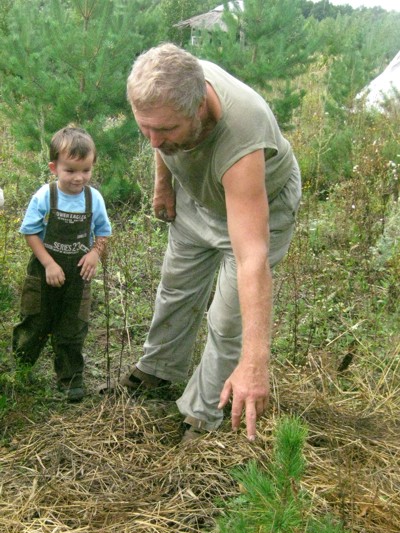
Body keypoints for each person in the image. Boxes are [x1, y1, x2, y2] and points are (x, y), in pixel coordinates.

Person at [122, 43, 301, 442]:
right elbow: (160, 135)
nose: (153, 141)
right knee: (176, 288)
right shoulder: (172, 85)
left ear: (200, 108)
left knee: (228, 318)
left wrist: (257, 363)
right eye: (144, 128)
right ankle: (158, 369)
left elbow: (252, 258)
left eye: (165, 130)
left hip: (256, 203)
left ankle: (203, 413)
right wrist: (163, 183)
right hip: (197, 197)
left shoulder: (242, 137)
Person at [13, 126, 112, 401]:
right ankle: (20, 370)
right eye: (70, 170)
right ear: (54, 167)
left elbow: (103, 232)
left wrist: (94, 254)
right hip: (44, 272)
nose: (79, 178)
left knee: (73, 328)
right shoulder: (45, 196)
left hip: (78, 277)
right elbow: (29, 232)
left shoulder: (94, 199)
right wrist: (48, 263)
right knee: (35, 322)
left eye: (86, 170)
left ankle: (70, 380)